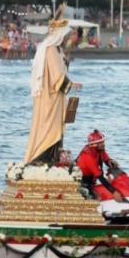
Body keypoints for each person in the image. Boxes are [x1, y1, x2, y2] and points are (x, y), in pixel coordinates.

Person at [23, 9, 81, 164]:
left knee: (56, 127)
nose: (66, 38)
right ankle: (43, 158)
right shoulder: (50, 50)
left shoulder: (56, 49)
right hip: (50, 97)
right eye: (65, 35)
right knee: (48, 128)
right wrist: (71, 85)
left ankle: (53, 158)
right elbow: (57, 76)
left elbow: (60, 71)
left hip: (55, 97)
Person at [75, 130, 123, 202]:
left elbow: (105, 157)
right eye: (100, 143)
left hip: (92, 180)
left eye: (103, 142)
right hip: (83, 182)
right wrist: (114, 192)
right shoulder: (88, 156)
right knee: (96, 199)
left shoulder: (99, 149)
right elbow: (100, 177)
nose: (103, 144)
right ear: (93, 144)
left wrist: (110, 161)